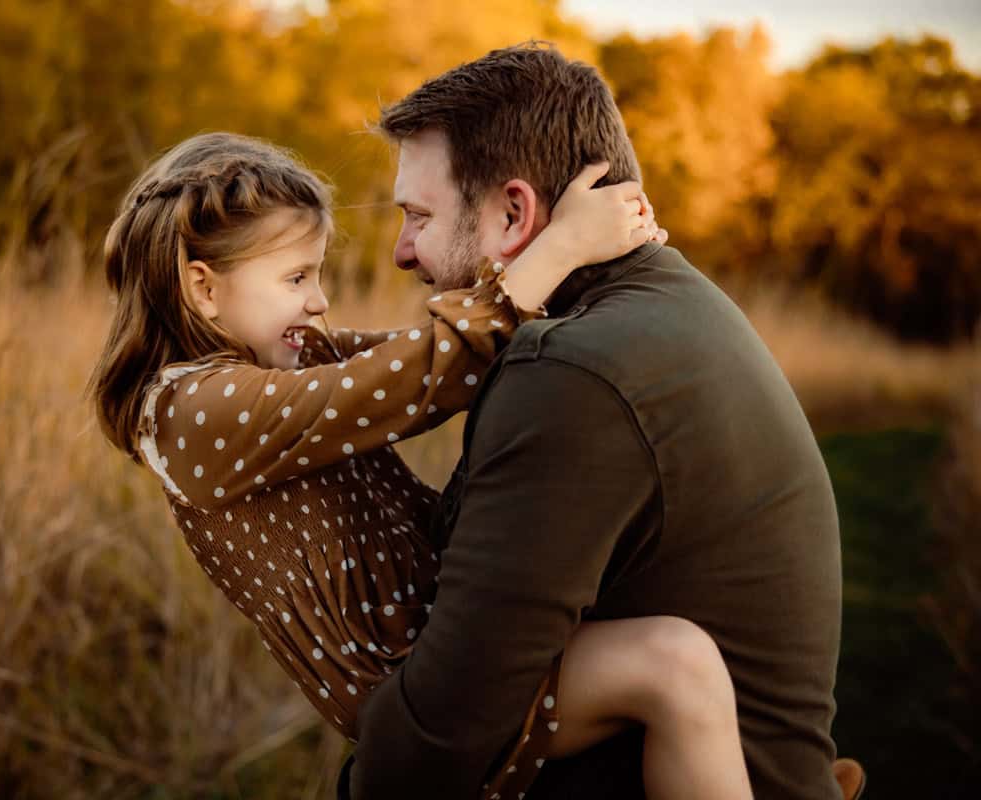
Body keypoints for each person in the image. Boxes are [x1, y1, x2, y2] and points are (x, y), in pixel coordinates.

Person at [86, 131, 757, 800]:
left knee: (657, 592)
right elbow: (424, 373)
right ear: (203, 290)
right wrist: (560, 249)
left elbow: (427, 354)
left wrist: (584, 281)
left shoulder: (292, 359)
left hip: (452, 630)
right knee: (677, 666)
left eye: (316, 274)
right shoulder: (188, 415)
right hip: (423, 688)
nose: (318, 301)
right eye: (296, 278)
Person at [340, 42, 846, 800]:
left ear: (515, 213)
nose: (401, 251)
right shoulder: (663, 307)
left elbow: (442, 737)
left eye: (418, 216)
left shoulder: (577, 369)